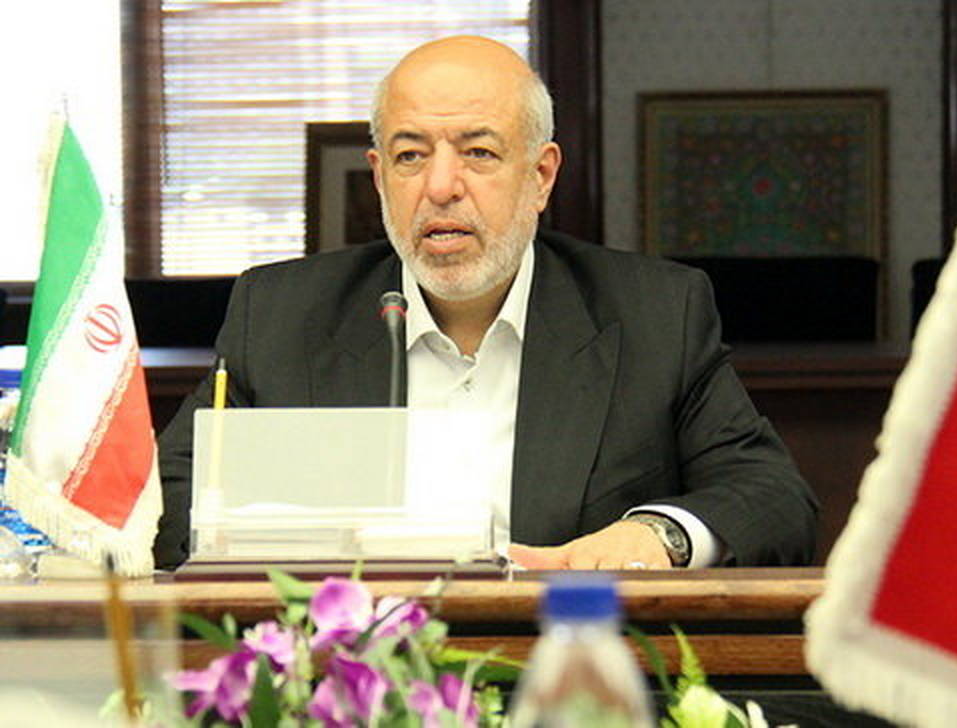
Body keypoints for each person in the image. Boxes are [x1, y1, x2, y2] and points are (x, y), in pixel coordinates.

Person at [152, 36, 818, 571]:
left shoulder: (655, 314)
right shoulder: (280, 314)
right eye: (410, 156)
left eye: (478, 152)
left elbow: (774, 500)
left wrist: (656, 536)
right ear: (380, 178)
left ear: (541, 175)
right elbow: (164, 504)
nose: (442, 186)